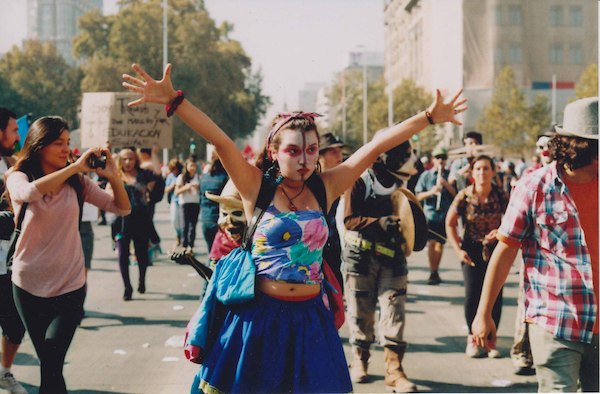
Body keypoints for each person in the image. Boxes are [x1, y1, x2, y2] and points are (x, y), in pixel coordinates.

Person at [122, 62, 466, 393]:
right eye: (293, 150)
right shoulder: (255, 187)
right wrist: (174, 101)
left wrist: (429, 118)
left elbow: (375, 146)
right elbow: (222, 140)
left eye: (312, 150)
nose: (304, 160)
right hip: (257, 320)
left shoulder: (326, 186)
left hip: (310, 320)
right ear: (274, 152)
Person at [472, 97, 599, 392]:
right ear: (588, 150)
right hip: (556, 322)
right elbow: (505, 251)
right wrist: (484, 314)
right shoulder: (535, 187)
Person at [5, 116, 130, 394]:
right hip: (28, 288)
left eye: (68, 143)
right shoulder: (18, 175)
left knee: (51, 361)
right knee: (50, 364)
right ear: (39, 146)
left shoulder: (78, 183)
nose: (66, 149)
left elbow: (121, 208)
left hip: (70, 287)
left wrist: (114, 177)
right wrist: (74, 166)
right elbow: (26, 194)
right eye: (58, 143)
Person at [342, 137, 426, 392]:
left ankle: (394, 369)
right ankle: (360, 360)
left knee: (394, 310)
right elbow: (349, 219)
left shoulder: (402, 183)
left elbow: (413, 220)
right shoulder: (360, 180)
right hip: (361, 257)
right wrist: (378, 222)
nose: (410, 160)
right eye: (403, 154)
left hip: (393, 258)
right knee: (360, 313)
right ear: (381, 157)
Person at [445, 155, 508, 359]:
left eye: (486, 168)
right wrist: (457, 249)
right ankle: (474, 338)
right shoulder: (464, 196)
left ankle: (490, 339)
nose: (482, 173)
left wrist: (500, 231)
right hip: (471, 250)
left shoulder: (501, 195)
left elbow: (513, 220)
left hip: (495, 250)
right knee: (473, 295)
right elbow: (450, 223)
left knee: (495, 295)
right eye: (478, 169)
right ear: (472, 173)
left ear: (492, 171)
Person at [109, 147, 159, 301]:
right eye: (124, 158)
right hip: (121, 222)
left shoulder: (143, 175)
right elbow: (107, 193)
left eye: (131, 158)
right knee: (123, 255)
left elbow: (158, 175)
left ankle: (141, 280)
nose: (128, 161)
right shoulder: (115, 176)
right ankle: (127, 287)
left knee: (141, 254)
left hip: (140, 220)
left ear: (136, 159)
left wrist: (155, 153)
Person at [0, 108, 27, 394]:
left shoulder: (11, 164)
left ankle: (4, 372)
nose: (17, 135)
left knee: (15, 324)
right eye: (13, 130)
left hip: (7, 260)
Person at [415, 146, 456, 285]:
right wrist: (432, 192)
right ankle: (432, 271)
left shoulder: (450, 175)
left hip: (444, 215)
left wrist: (446, 185)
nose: (441, 161)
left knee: (440, 244)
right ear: (433, 160)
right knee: (432, 243)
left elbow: (457, 196)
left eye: (443, 158)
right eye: (438, 158)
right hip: (431, 214)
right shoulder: (426, 175)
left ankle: (436, 270)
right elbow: (418, 195)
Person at [318, 132, 347, 288]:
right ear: (320, 156)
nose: (339, 155)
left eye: (340, 151)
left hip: (338, 249)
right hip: (316, 254)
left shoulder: (346, 180)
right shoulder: (310, 183)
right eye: (333, 152)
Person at [199, 151, 228, 253]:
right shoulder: (225, 178)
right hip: (219, 220)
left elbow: (200, 198)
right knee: (219, 255)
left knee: (210, 252)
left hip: (205, 219)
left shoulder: (204, 177)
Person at [176, 158, 201, 254]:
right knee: (184, 225)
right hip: (184, 204)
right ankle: (184, 245)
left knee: (192, 226)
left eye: (194, 166)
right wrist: (187, 187)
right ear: (186, 167)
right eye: (191, 166)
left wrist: (197, 187)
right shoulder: (181, 177)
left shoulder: (198, 177)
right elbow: (177, 192)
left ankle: (191, 245)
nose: (192, 168)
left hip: (195, 203)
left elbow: (201, 189)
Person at [165, 158, 184, 247]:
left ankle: (182, 238)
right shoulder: (170, 176)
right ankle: (178, 234)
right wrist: (173, 185)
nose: (174, 171)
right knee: (174, 220)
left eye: (176, 169)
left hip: (183, 201)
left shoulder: (183, 175)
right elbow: (166, 190)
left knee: (183, 222)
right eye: (172, 169)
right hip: (174, 200)